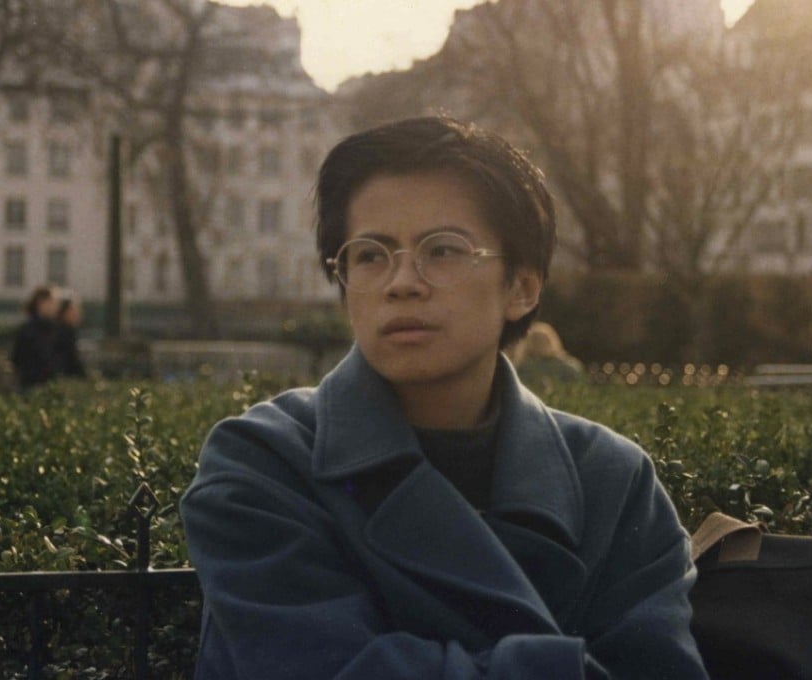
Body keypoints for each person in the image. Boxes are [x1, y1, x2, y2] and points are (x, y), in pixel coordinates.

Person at [181, 117, 708, 679]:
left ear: (523, 288)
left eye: (444, 251)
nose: (401, 281)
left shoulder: (613, 480)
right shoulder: (264, 463)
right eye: (370, 255)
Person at [509, 321, 585, 391]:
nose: (540, 344)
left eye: (542, 340)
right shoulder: (522, 368)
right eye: (537, 340)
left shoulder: (568, 367)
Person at [10, 285, 59, 389]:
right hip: (32, 385)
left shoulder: (53, 328)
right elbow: (17, 358)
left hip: (48, 385)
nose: (54, 307)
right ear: (40, 303)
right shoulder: (28, 330)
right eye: (51, 302)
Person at [55, 292, 87, 380]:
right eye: (74, 309)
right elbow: (71, 359)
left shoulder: (67, 330)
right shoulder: (64, 332)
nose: (78, 313)